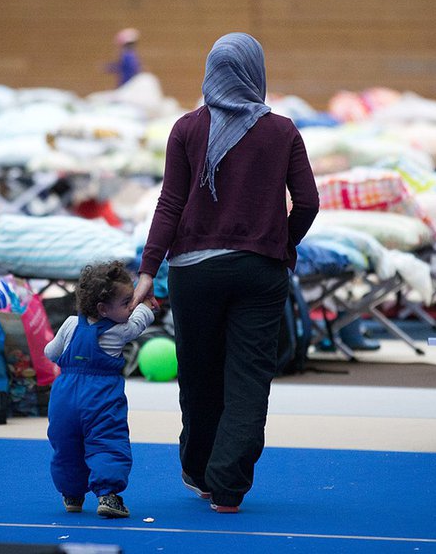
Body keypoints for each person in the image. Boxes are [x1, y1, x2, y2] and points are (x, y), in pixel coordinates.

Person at [132, 33, 319, 513]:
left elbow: (170, 203)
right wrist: (279, 241)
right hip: (260, 271)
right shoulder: (282, 131)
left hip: (194, 272)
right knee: (249, 379)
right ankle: (229, 488)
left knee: (199, 376)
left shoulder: (187, 128)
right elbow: (309, 203)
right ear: (256, 71)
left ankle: (199, 472)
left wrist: (148, 269)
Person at [44, 260, 155, 519]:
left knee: (66, 444)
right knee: (107, 442)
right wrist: (147, 307)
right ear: (103, 309)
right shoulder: (119, 330)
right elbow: (138, 322)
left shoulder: (71, 324)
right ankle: (108, 495)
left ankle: (72, 494)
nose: (131, 306)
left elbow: (50, 352)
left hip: (64, 395)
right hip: (100, 396)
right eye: (127, 302)